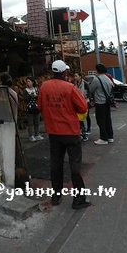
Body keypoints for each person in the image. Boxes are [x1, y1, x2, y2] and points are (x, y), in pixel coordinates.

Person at [38, 60, 90, 209]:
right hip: (70, 132)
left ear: (53, 72)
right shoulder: (70, 88)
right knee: (75, 165)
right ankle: (78, 199)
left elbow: (40, 106)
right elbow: (82, 108)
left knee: (56, 164)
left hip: (53, 132)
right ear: (64, 72)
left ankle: (56, 196)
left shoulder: (44, 87)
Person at [89, 64, 114, 145]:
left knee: (100, 120)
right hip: (107, 102)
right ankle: (110, 137)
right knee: (107, 119)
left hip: (100, 102)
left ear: (98, 70)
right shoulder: (108, 78)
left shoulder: (97, 79)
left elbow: (91, 89)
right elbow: (112, 87)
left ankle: (103, 138)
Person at [23, 76, 43, 141]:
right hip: (29, 108)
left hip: (36, 107)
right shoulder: (25, 90)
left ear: (32, 82)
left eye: (29, 81)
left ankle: (37, 134)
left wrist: (36, 96)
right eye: (27, 81)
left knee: (37, 122)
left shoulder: (36, 89)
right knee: (30, 123)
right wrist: (30, 96)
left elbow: (40, 97)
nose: (27, 83)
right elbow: (25, 99)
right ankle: (31, 136)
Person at [74, 73, 90, 141]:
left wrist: (87, 99)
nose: (75, 77)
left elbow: (89, 92)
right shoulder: (75, 84)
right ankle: (82, 133)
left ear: (80, 77)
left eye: (76, 76)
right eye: (74, 76)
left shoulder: (85, 83)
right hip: (78, 102)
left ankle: (87, 130)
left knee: (86, 117)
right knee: (79, 119)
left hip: (85, 102)